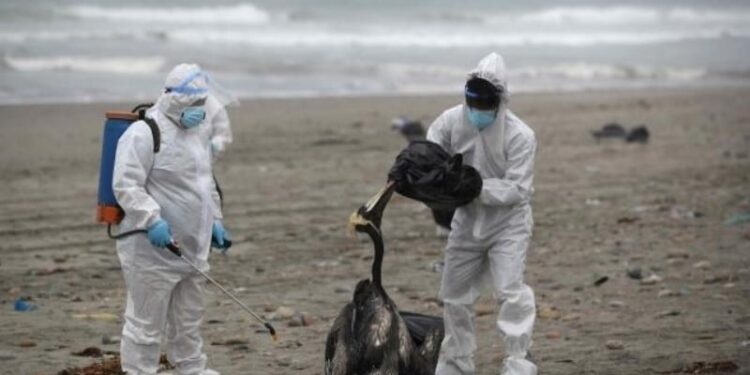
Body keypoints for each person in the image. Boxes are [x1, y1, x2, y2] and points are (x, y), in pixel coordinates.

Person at [112, 63, 232, 375]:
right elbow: (126, 184)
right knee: (145, 324)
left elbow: (204, 185)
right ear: (172, 98)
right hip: (150, 250)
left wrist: (214, 222)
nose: (197, 110)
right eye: (191, 103)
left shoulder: (196, 134)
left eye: (200, 103)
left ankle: (192, 369)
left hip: (192, 249)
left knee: (188, 321)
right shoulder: (143, 132)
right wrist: (152, 220)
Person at [426, 52, 538, 375]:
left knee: (509, 291)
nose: (477, 110)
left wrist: (475, 187)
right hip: (466, 220)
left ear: (500, 101)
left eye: (484, 104)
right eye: (472, 102)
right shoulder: (451, 120)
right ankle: (457, 362)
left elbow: (518, 189)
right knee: (454, 293)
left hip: (508, 224)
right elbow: (432, 148)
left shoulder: (521, 136)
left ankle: (518, 360)